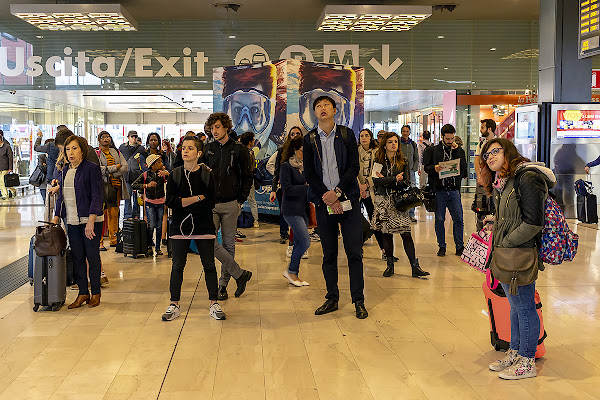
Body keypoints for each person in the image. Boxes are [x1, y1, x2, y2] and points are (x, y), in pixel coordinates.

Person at [481, 138, 555, 380]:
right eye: (486, 155)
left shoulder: (527, 177)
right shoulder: (506, 181)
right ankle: (515, 351)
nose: (490, 157)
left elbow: (533, 221)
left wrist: (509, 240)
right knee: (514, 308)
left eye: (495, 151)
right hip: (507, 254)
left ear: (508, 152)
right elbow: (515, 214)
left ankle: (527, 360)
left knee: (524, 309)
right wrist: (497, 221)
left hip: (519, 254)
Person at [303, 95, 368, 319]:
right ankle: (332, 298)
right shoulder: (310, 138)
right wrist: (327, 196)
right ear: (314, 112)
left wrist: (338, 193)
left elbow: (353, 167)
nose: (322, 109)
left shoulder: (346, 134)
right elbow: (310, 173)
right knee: (329, 254)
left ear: (334, 110)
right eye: (318, 106)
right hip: (324, 204)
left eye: (326, 105)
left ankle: (358, 300)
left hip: (348, 200)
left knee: (354, 253)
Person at [162, 136, 226, 321]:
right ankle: (174, 303)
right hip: (179, 228)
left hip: (204, 225)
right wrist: (196, 198)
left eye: (190, 148)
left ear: (199, 153)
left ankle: (214, 302)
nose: (185, 151)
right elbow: (171, 202)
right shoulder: (175, 174)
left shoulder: (207, 174)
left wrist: (185, 203)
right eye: (183, 148)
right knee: (177, 266)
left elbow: (211, 202)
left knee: (209, 265)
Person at [203, 113, 253, 301]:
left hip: (231, 203)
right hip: (211, 204)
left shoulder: (239, 149)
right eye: (212, 128)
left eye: (217, 127)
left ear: (226, 127)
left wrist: (240, 199)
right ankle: (240, 274)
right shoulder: (208, 149)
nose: (214, 131)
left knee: (229, 245)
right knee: (209, 241)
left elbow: (248, 177)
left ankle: (222, 286)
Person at [51, 135, 104, 309]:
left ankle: (95, 292)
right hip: (72, 220)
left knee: (92, 256)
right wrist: (56, 218)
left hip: (91, 221)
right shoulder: (65, 170)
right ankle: (83, 293)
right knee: (78, 257)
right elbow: (62, 198)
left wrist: (91, 221)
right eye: (67, 149)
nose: (70, 152)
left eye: (74, 148)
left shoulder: (91, 168)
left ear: (82, 150)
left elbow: (97, 196)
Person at [371, 132, 430, 278]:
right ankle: (389, 265)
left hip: (398, 201)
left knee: (406, 233)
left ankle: (414, 266)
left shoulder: (403, 161)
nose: (393, 144)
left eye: (395, 142)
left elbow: (406, 182)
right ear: (384, 144)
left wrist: (389, 180)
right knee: (386, 234)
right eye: (390, 142)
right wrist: (393, 179)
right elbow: (376, 181)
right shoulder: (378, 161)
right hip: (383, 200)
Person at [423, 124, 468, 257]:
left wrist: (457, 151)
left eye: (452, 139)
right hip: (440, 190)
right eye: (447, 139)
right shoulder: (433, 150)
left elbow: (464, 168)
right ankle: (441, 246)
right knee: (439, 219)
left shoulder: (459, 150)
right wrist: (435, 168)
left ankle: (460, 246)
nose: (450, 142)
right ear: (442, 137)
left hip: (454, 190)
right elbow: (426, 167)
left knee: (458, 219)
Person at [279, 135, 310, 287]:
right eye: (302, 151)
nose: (304, 154)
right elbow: (287, 189)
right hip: (291, 210)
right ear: (294, 150)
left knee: (299, 242)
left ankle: (293, 273)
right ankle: (291, 271)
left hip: (303, 208)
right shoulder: (286, 166)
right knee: (305, 242)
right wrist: (307, 187)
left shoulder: (304, 166)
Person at [270, 126, 304, 244]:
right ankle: (284, 234)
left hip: (300, 188)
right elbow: (276, 169)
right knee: (284, 212)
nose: (295, 135)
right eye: (293, 133)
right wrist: (273, 189)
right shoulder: (282, 150)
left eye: (298, 133)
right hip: (285, 187)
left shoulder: (304, 151)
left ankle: (296, 237)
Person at [132, 154, 169, 256]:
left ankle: (158, 247)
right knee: (151, 225)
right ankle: (149, 246)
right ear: (152, 165)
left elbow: (173, 181)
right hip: (150, 203)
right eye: (159, 162)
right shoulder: (145, 175)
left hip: (161, 202)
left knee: (159, 225)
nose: (162, 164)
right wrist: (146, 185)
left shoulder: (163, 174)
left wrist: (168, 174)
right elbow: (133, 185)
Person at [97, 131, 128, 248]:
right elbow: (98, 169)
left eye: (107, 137)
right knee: (101, 214)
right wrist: (115, 167)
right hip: (102, 187)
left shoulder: (116, 151)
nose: (106, 139)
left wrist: (112, 174)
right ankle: (99, 242)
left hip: (116, 187)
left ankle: (113, 239)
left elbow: (125, 167)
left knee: (114, 214)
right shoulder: (96, 153)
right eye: (103, 137)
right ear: (99, 140)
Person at [357, 128, 385, 258]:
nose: (364, 138)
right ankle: (358, 248)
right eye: (362, 135)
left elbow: (377, 171)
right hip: (357, 190)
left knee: (375, 220)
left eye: (366, 135)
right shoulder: (355, 152)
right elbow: (352, 169)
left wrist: (367, 185)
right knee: (356, 221)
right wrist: (360, 186)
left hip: (371, 190)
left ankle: (385, 251)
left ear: (370, 137)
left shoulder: (377, 152)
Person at [473, 119, 497, 230]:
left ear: (489, 129)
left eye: (482, 127)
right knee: (481, 209)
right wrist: (479, 177)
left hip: (495, 182)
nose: (480, 130)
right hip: (483, 183)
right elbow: (476, 160)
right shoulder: (481, 143)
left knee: (495, 208)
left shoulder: (499, 143)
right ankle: (480, 236)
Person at [119, 130, 147, 220]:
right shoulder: (122, 147)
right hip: (126, 176)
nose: (134, 138)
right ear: (128, 137)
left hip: (137, 176)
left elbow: (145, 160)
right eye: (132, 136)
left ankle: (136, 215)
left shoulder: (141, 148)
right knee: (127, 197)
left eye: (135, 136)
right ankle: (127, 215)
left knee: (137, 198)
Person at [34, 127, 61, 204]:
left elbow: (36, 148)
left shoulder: (51, 146)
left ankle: (51, 216)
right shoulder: (66, 146)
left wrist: (39, 137)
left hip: (50, 179)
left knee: (48, 205)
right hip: (60, 177)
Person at [240, 131, 259, 227]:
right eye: (253, 140)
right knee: (252, 200)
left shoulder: (240, 151)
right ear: (249, 141)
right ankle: (256, 221)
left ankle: (236, 220)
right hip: (248, 179)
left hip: (241, 179)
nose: (254, 141)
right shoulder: (249, 153)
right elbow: (252, 167)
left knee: (239, 201)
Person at [400, 125, 419, 222]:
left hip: (411, 172)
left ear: (409, 132)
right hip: (400, 172)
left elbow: (416, 158)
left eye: (407, 131)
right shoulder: (398, 143)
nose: (405, 133)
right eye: (403, 131)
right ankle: (401, 213)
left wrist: (414, 169)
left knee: (412, 192)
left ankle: (411, 214)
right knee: (400, 192)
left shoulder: (413, 144)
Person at [0, 130, 14, 200]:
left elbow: (10, 157)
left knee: (3, 181)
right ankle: (12, 191)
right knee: (2, 182)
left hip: (5, 167)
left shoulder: (6, 146)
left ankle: (5, 195)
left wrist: (10, 168)